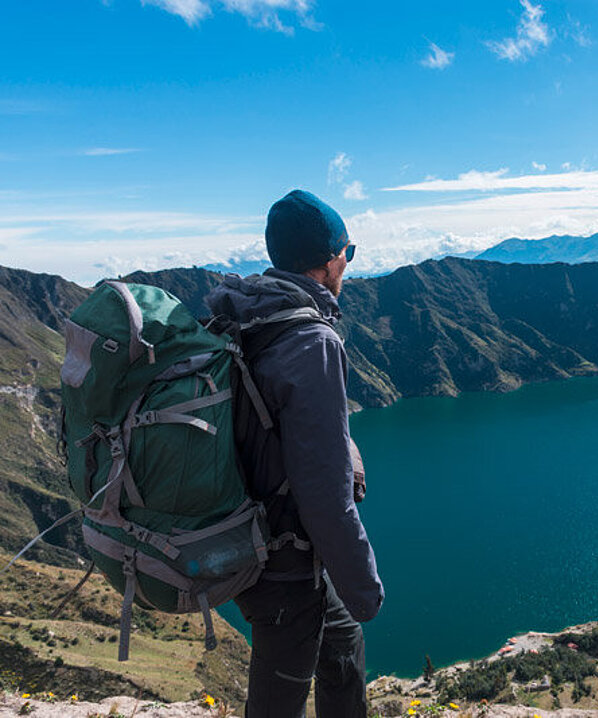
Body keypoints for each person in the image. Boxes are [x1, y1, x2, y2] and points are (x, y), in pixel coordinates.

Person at [205, 189, 384, 718]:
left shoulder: (243, 314)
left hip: (251, 531)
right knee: (278, 700)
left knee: (343, 646)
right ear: (331, 259)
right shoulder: (312, 342)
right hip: (281, 564)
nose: (348, 266)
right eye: (348, 254)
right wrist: (365, 587)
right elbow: (325, 493)